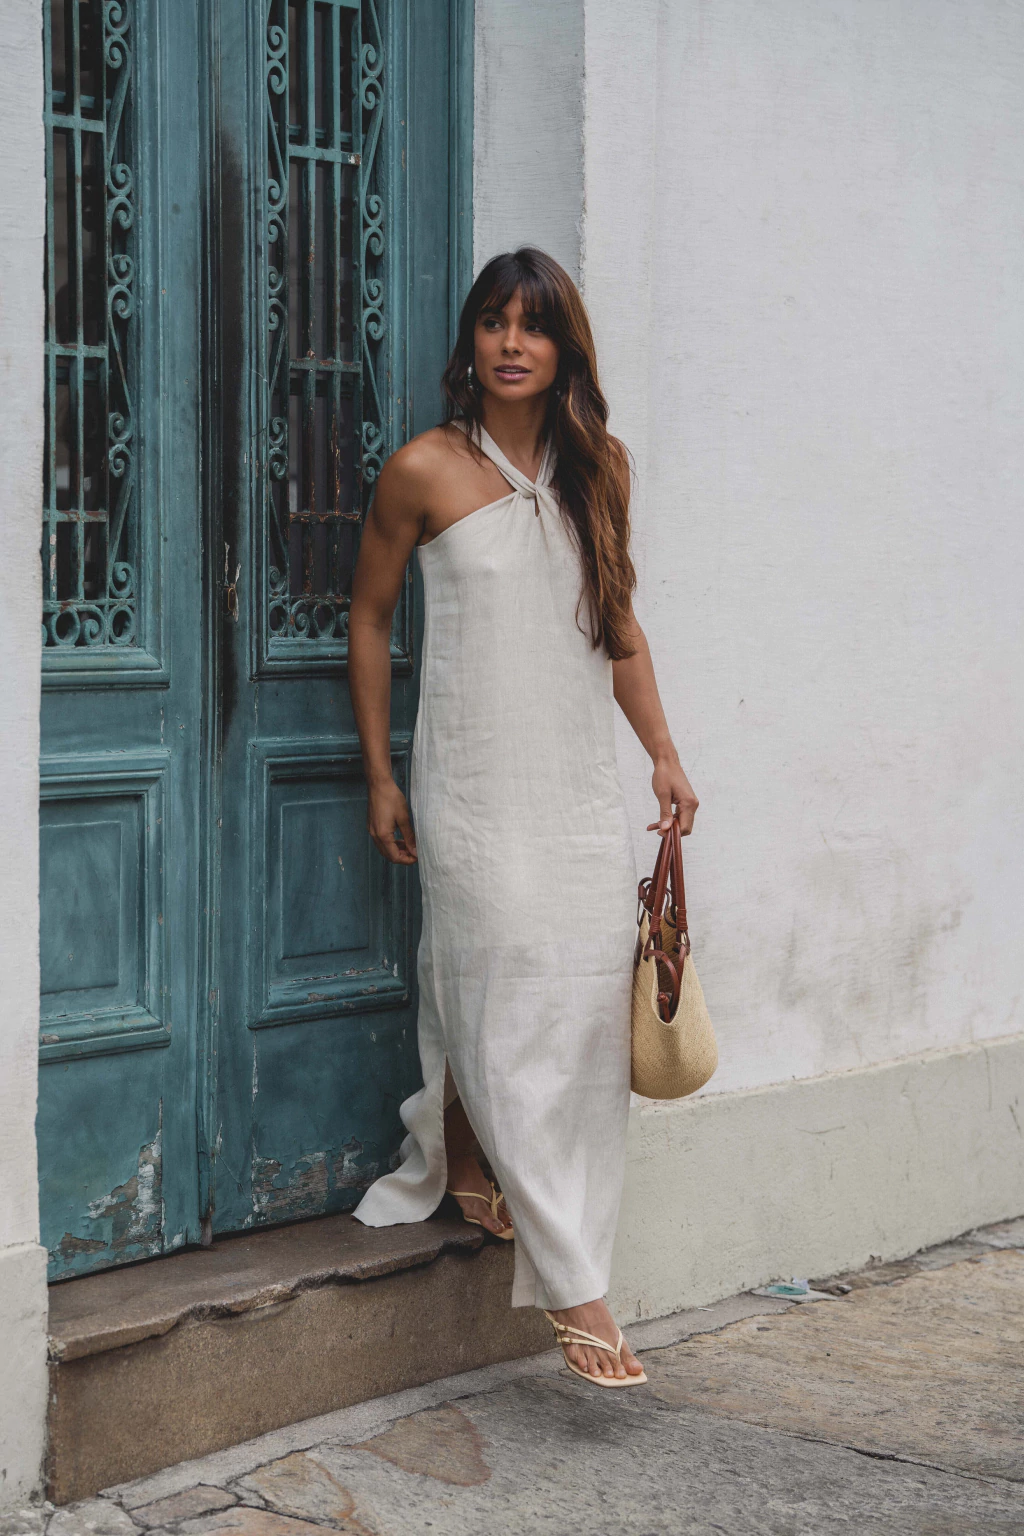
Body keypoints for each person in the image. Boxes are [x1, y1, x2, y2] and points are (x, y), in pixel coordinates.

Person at [350, 247, 698, 1387]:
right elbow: (369, 619)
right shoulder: (423, 469)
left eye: (533, 325)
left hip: (575, 783)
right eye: (494, 322)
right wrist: (380, 776)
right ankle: (577, 1288)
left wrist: (663, 754)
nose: (511, 342)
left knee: (579, 1013)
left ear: (563, 350)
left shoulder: (601, 470)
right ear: (471, 341)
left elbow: (619, 627)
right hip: (471, 782)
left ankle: (469, 1162)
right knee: (498, 988)